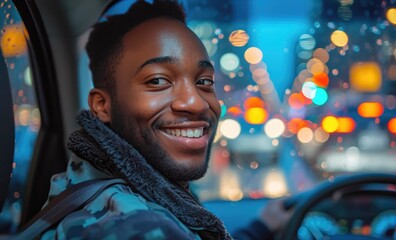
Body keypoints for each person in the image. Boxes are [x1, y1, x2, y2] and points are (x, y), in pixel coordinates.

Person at [39, 0, 289, 239]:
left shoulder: (86, 186)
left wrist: (261, 228)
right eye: (158, 80)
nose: (196, 103)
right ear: (102, 106)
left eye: (204, 82)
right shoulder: (138, 228)